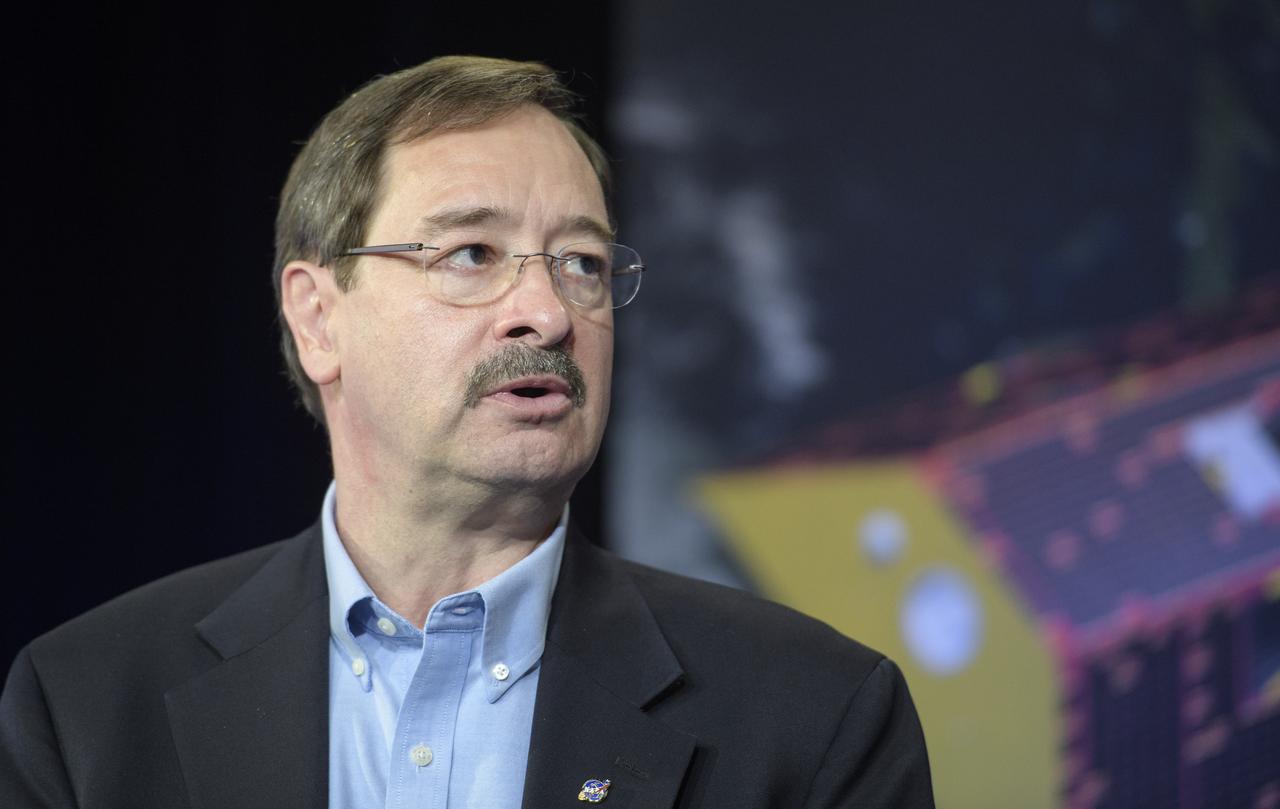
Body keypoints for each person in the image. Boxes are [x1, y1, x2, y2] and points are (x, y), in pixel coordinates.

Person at [0, 55, 933, 808]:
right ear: (318, 318)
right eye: (472, 254)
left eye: (581, 262)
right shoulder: (87, 704)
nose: (549, 312)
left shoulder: (817, 716)